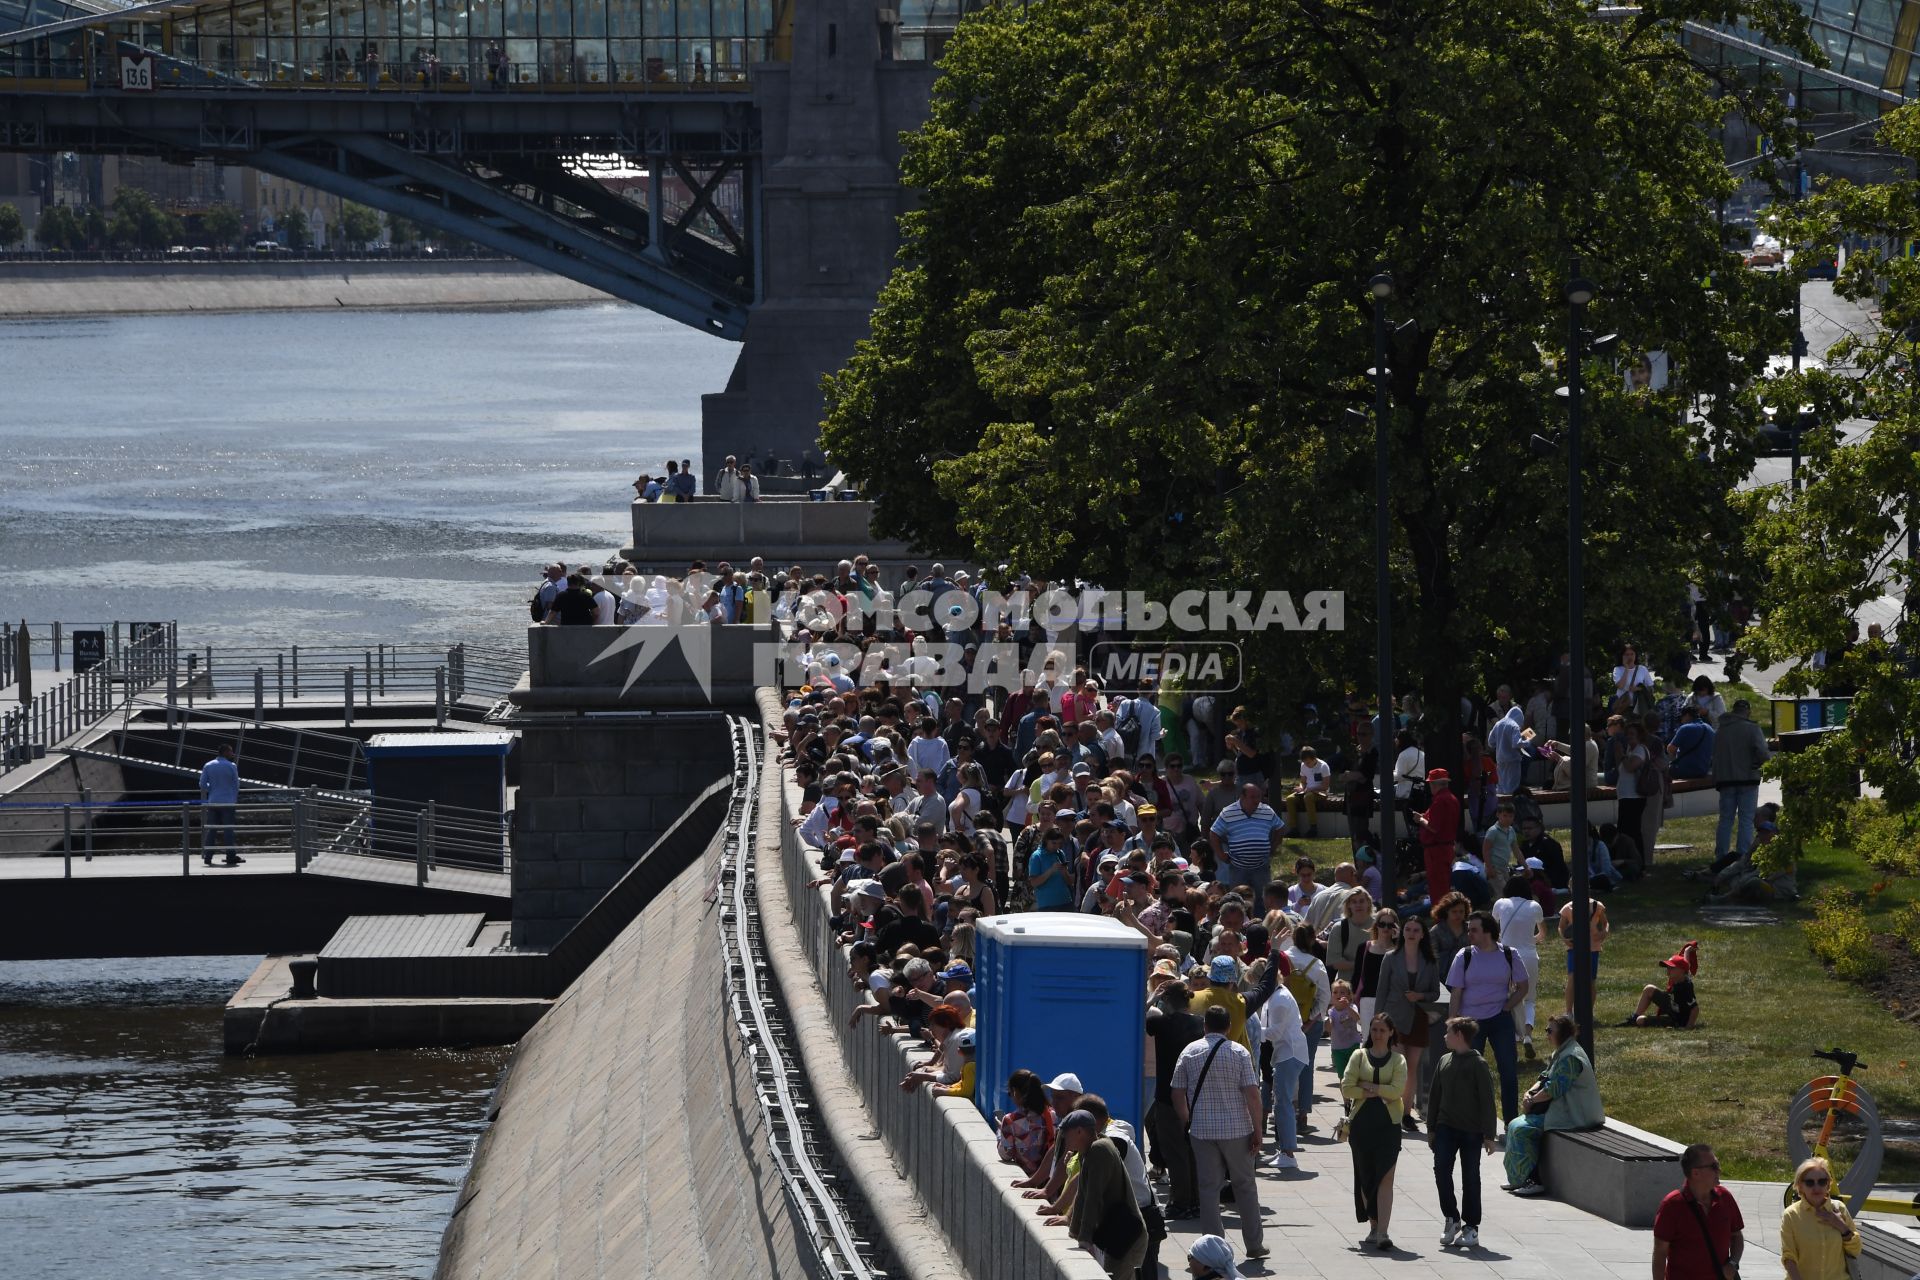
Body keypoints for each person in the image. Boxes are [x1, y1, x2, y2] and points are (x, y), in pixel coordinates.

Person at [1170, 1005, 1268, 1261]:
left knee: (1208, 1189)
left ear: (1205, 1026)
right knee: (1245, 1186)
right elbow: (1252, 1094)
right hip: (1237, 1130)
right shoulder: (1239, 1052)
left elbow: (1176, 1091)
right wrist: (1258, 1130)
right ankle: (1254, 1244)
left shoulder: (1190, 1052)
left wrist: (1186, 1119)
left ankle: (1215, 1249)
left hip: (1202, 1131)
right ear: (1228, 1027)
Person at [1500, 1013, 1603, 1196]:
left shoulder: (1571, 1057)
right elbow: (1544, 1078)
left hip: (1575, 1114)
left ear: (1563, 1033)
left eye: (1550, 1031)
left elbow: (1553, 1089)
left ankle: (1534, 1181)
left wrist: (1531, 1101)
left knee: (1521, 1128)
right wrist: (1528, 1094)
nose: (1547, 1034)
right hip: (1561, 1108)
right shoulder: (1562, 1051)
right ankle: (1519, 1180)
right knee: (1515, 1124)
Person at [1446, 910, 1525, 1129]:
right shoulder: (1465, 955)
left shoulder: (1510, 954)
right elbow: (1456, 992)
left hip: (1500, 1019)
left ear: (1488, 932)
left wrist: (1507, 1006)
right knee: (1470, 1073)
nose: (1468, 933)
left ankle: (1511, 1123)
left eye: (1474, 930)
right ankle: (1472, 1122)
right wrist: (1452, 1022)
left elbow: (1523, 986)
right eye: (1468, 929)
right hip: (1471, 1023)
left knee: (1508, 1071)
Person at [1428, 1016, 1498, 1251]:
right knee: (1441, 1171)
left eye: (1448, 1032)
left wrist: (1489, 1134)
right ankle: (1451, 1218)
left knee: (1471, 1177)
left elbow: (1487, 1100)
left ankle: (1471, 1227)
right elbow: (1435, 1095)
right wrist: (1431, 1128)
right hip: (1446, 1127)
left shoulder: (1478, 1064)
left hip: (1471, 1131)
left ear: (1459, 1035)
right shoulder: (1444, 1060)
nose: (1444, 1036)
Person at [1053, 1109, 1148, 1278]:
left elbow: (1092, 1198)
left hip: (1125, 1235)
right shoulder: (1087, 1151)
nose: (1064, 1139)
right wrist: (1074, 1231)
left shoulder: (1099, 1150)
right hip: (1113, 1232)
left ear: (1079, 1131)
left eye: (1065, 1134)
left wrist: (1084, 1240)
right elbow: (1082, 1194)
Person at [1340, 1011, 1407, 1251]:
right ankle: (1373, 1225)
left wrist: (1370, 1085)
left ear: (1391, 1033)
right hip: (1361, 1125)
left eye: (1382, 1030)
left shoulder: (1398, 1060)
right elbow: (1347, 1087)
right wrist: (1373, 1092)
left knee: (1386, 1178)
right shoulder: (1359, 1056)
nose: (1378, 1034)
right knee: (1366, 1177)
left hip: (1388, 1126)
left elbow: (1397, 1090)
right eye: (1374, 1030)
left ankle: (1383, 1232)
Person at [1375, 912, 1439, 1131]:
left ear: (1423, 935)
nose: (1411, 933)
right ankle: (1391, 1109)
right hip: (1394, 1017)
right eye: (1408, 929)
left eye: (1416, 930)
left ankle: (1406, 1113)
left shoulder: (1429, 961)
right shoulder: (1391, 957)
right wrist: (1377, 1023)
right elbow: (1381, 990)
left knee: (1412, 1068)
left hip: (1418, 1018)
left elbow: (1435, 993)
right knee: (1397, 1066)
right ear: (1402, 933)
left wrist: (1420, 996)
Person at [1145, 981, 1204, 1218]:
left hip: (1168, 1096)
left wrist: (1151, 997)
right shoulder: (1200, 1023)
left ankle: (1180, 1202)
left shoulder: (1160, 1022)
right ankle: (1195, 1201)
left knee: (1174, 1152)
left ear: (1166, 1000)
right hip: (1194, 1096)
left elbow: (1133, 1016)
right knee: (1191, 1151)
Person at [1652, 1144, 1745, 1280]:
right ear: (1695, 1173)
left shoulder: (1725, 1197)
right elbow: (1660, 1254)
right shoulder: (1672, 1205)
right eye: (1714, 1166)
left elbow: (1737, 1236)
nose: (1719, 1169)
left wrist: (1733, 1263)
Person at [1709, 700, 1772, 876]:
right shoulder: (1752, 728)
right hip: (1747, 779)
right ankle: (1743, 857)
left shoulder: (1721, 729)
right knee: (1746, 819)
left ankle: (1721, 856)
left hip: (1726, 779)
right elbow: (1763, 753)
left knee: (1726, 820)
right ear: (1748, 712)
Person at [1780, 1156, 1863, 1280]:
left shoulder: (1839, 1209)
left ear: (1828, 1184)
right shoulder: (1791, 1215)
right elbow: (1789, 1257)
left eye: (1822, 1181)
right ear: (1800, 1186)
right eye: (1810, 1182)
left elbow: (1856, 1250)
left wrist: (1840, 1225)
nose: (1816, 1187)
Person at [1257, 967, 1308, 1169]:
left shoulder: (1278, 999)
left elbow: (1275, 1033)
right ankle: (1285, 1150)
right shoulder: (1277, 996)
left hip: (1289, 1053)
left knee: (1283, 1102)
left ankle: (1288, 1152)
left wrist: (1250, 1028)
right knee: (1282, 1101)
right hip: (1288, 1052)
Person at [1492, 872, 1546, 1055]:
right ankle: (1528, 1035)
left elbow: (1492, 930)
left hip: (1506, 956)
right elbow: (1542, 935)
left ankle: (1516, 1034)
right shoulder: (1534, 906)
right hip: (1529, 955)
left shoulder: (1500, 904)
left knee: (1510, 996)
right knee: (1529, 998)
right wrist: (1531, 939)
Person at [1208, 783, 1286, 903]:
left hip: (1261, 867)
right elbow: (1214, 833)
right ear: (1242, 797)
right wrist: (1220, 854)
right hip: (1238, 867)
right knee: (1237, 901)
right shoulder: (1228, 812)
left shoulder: (1266, 811)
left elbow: (1280, 827)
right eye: (1253, 797)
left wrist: (1273, 846)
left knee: (1263, 900)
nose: (1256, 800)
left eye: (1258, 797)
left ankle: (1261, 921)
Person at [1622, 944, 1701, 1028]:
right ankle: (1633, 1019)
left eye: (1671, 968)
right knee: (1649, 989)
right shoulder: (1680, 977)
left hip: (1677, 1019)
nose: (1668, 971)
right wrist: (1687, 951)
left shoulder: (1685, 987)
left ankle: (1636, 1020)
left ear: (1681, 971)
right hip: (1672, 1006)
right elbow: (1686, 965)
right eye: (1668, 968)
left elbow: (1695, 1009)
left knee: (1640, 1020)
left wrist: (1688, 1026)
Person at [1559, 894, 1610, 1016]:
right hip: (1574, 947)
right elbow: (1561, 927)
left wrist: (1604, 932)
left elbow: (1605, 923)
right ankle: (1569, 1012)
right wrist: (1564, 939)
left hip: (1593, 947)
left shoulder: (1597, 906)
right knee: (1572, 977)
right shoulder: (1568, 908)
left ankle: (1588, 1012)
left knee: (1591, 980)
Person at [1418, 768, 1462, 904]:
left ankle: (1440, 918)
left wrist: (1420, 820)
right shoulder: (1453, 799)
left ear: (1435, 784)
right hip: (1446, 848)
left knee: (1437, 889)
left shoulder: (1439, 801)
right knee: (1443, 885)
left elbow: (1433, 827)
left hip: (1436, 850)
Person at [198, 744, 243, 866]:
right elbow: (236, 785)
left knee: (211, 830)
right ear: (225, 752)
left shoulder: (208, 765)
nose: (232, 754)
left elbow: (202, 785)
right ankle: (230, 856)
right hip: (228, 802)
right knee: (228, 830)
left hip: (213, 801)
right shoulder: (232, 766)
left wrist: (212, 788)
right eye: (231, 752)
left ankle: (208, 857)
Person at [1284, 745, 1331, 836]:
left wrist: (1311, 789)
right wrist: (1301, 787)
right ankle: (1294, 829)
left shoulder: (1323, 766)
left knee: (1308, 797)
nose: (1306, 765)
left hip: (1320, 792)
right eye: (1304, 762)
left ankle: (1313, 828)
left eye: (1308, 762)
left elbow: (1325, 786)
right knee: (1290, 798)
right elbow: (1303, 782)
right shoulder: (1303, 765)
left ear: (1314, 758)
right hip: (1306, 791)